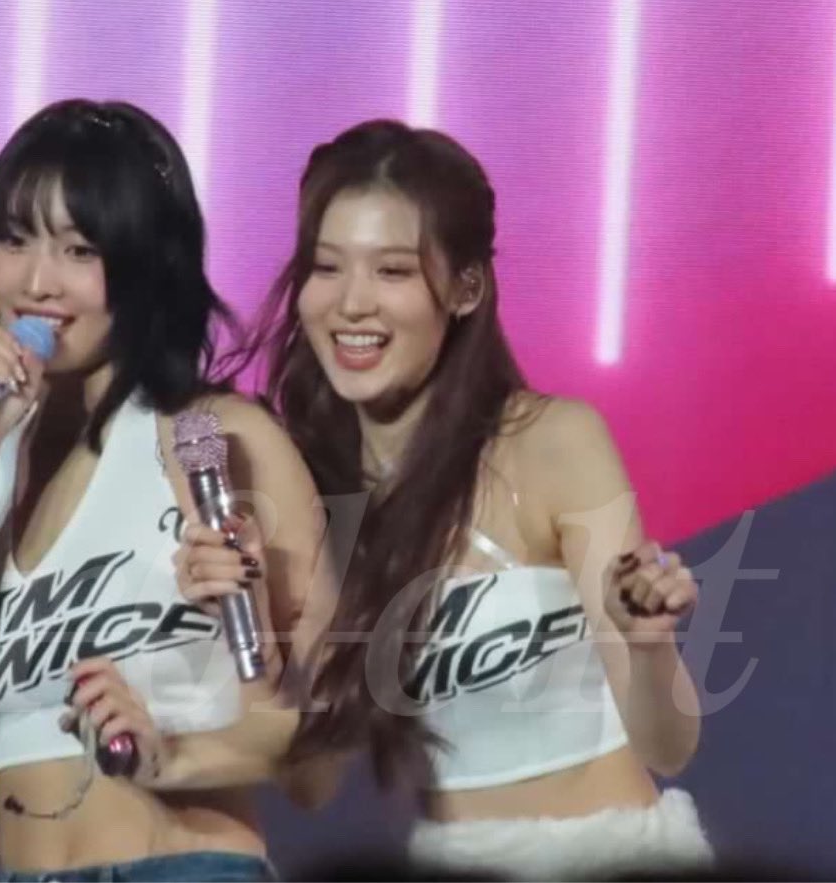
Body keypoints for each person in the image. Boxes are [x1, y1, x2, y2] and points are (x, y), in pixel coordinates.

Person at [250, 119, 713, 880]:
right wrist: (257, 612)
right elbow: (311, 783)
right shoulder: (307, 490)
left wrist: (647, 644)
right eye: (326, 267)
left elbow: (668, 746)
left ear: (465, 288)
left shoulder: (553, 441)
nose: (351, 303)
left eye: (393, 271)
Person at [0, 99, 324, 883]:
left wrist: (170, 753)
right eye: (13, 239)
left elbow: (319, 720)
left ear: (144, 265)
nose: (35, 282)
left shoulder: (213, 437)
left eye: (78, 250)